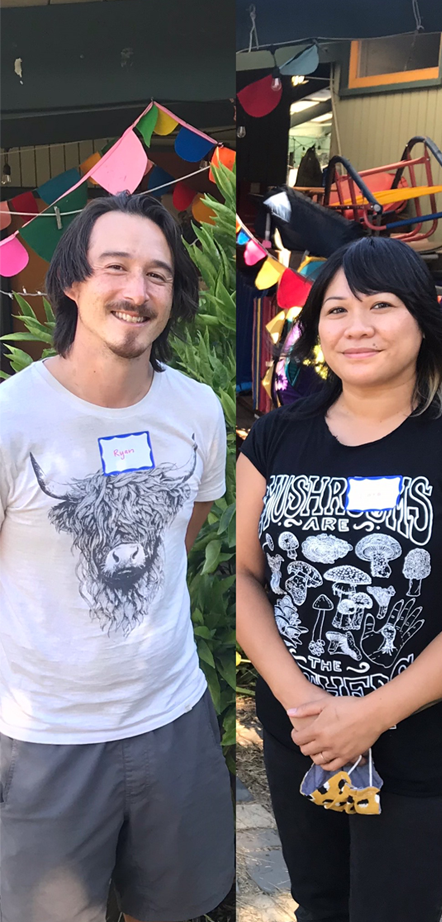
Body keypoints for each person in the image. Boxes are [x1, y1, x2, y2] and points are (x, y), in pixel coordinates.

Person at [233, 237, 442, 920]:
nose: (359, 326)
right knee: (318, 906)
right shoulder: (276, 439)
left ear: (421, 319)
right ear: (317, 327)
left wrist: (371, 715)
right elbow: (244, 579)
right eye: (338, 309)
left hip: (423, 750)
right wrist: (306, 711)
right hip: (302, 739)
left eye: (381, 305)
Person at [0, 193, 233, 920]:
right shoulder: (12, 419)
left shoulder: (197, 410)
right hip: (44, 736)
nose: (136, 292)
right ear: (73, 282)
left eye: (157, 275)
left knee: (177, 907)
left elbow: (178, 535)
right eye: (115, 268)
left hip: (173, 716)